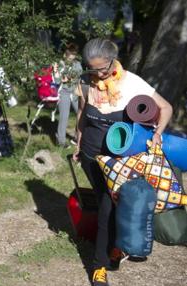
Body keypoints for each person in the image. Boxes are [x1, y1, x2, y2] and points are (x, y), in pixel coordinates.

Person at [72, 38, 172, 286]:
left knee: (108, 207)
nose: (99, 73)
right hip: (91, 157)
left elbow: (166, 107)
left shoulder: (131, 83)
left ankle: (99, 267)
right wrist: (78, 143)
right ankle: (114, 249)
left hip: (119, 163)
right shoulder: (86, 83)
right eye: (93, 69)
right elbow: (83, 115)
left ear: (112, 60)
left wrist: (157, 134)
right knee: (109, 206)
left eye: (103, 68)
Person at [53, 43, 83, 147]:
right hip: (64, 93)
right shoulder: (59, 64)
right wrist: (60, 77)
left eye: (73, 56)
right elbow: (56, 81)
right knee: (64, 117)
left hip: (74, 93)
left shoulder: (77, 64)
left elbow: (80, 76)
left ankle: (76, 137)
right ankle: (61, 141)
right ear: (65, 54)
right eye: (70, 56)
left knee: (81, 115)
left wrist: (71, 79)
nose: (71, 58)